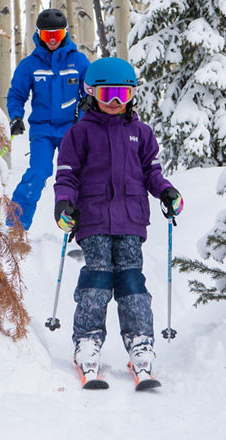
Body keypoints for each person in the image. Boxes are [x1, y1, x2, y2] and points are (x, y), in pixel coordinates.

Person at [53, 57, 184, 390]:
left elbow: (152, 173)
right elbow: (66, 176)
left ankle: (140, 343)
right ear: (91, 94)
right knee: (97, 280)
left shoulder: (141, 133)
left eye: (122, 95)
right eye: (107, 94)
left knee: (131, 283)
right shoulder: (78, 133)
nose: (114, 102)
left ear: (132, 96)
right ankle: (87, 342)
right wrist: (64, 204)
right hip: (93, 218)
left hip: (130, 220)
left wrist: (167, 192)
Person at [7, 8, 90, 230]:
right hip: (42, 130)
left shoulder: (78, 61)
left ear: (65, 33)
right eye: (47, 35)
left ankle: (81, 225)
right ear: (39, 35)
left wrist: (86, 108)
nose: (52, 40)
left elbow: (91, 91)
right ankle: (15, 226)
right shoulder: (30, 64)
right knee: (39, 171)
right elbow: (17, 94)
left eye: (57, 34)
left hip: (70, 131)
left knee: (75, 174)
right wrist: (16, 117)